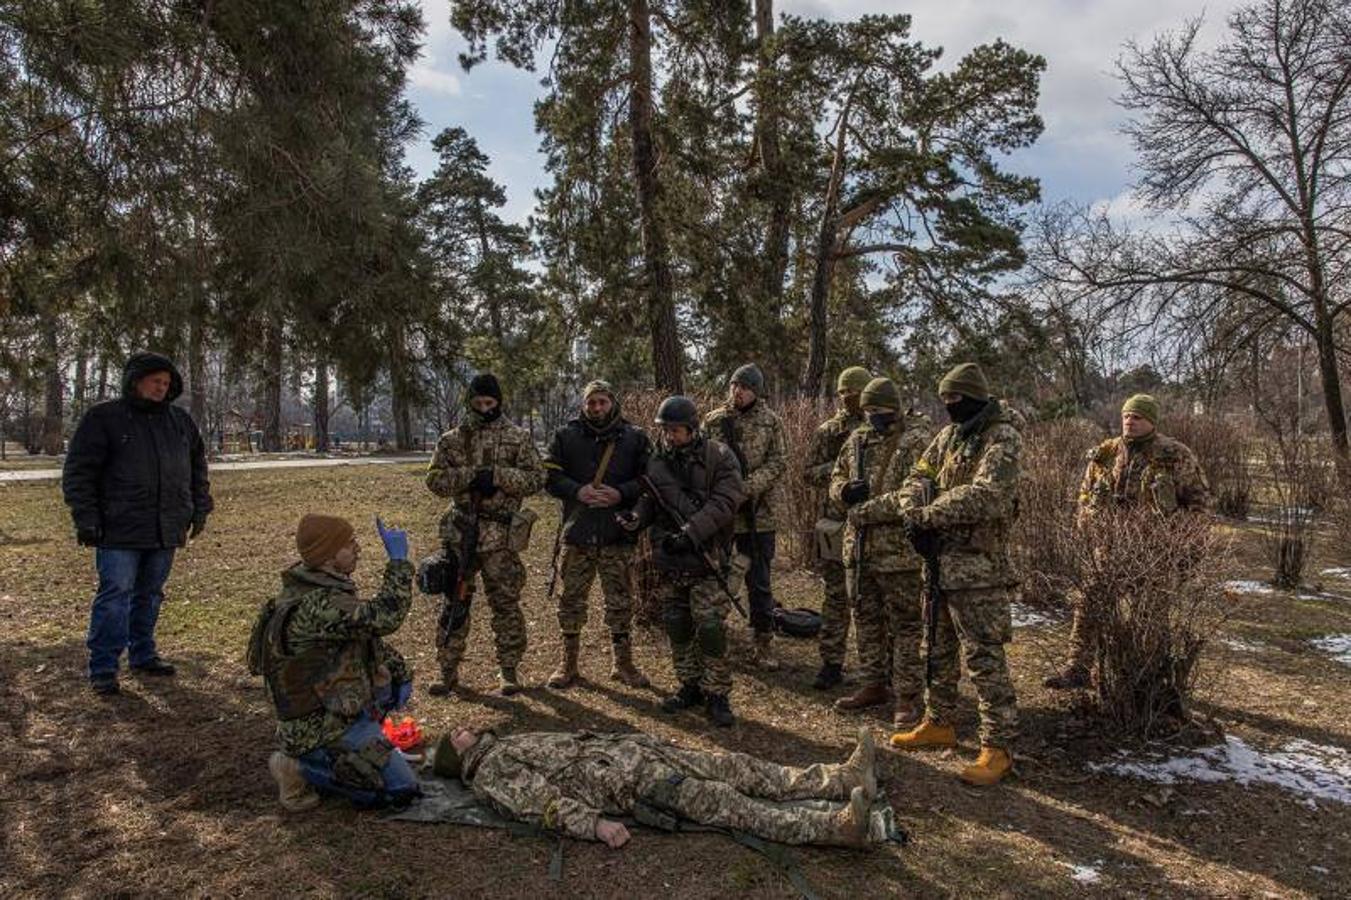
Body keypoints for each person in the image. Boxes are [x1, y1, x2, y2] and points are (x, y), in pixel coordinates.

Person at [865, 363, 1023, 787]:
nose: (950, 406)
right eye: (945, 400)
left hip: (979, 568)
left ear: (974, 397)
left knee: (984, 657)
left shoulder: (1002, 436)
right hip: (938, 562)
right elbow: (920, 474)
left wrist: (928, 516)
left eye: (956, 399)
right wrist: (916, 505)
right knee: (935, 648)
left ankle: (998, 745)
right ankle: (940, 722)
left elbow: (988, 495)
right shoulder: (949, 436)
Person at [433, 725, 881, 848]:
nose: (464, 728)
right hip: (631, 783)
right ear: (459, 756)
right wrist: (594, 826)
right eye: (456, 734)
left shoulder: (505, 743)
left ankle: (842, 779)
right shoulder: (491, 770)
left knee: (737, 767)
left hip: (641, 754)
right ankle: (833, 829)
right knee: (729, 804)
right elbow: (540, 804)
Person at [61, 351, 213, 695]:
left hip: (166, 526)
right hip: (119, 528)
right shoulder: (104, 419)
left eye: (166, 383)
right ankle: (103, 666)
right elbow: (79, 473)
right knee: (115, 595)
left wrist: (199, 507)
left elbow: (197, 470)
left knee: (150, 594)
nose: (162, 388)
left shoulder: (180, 422)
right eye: (155, 381)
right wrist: (85, 517)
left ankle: (143, 653)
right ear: (135, 381)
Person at [247, 514, 418, 811]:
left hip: (336, 707)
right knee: (400, 789)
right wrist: (399, 563)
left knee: (391, 678)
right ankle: (298, 767)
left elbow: (363, 639)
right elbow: (385, 617)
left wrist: (400, 674)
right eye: (348, 544)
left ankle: (364, 743)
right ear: (327, 556)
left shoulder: (318, 588)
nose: (357, 548)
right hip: (316, 726)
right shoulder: (318, 604)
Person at [1044, 393, 1213, 690]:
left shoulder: (1174, 455)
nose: (1130, 422)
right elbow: (1086, 493)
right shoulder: (1106, 452)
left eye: (1137, 417)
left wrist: (1186, 548)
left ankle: (1143, 679)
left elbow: (1199, 504)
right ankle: (1078, 668)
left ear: (1152, 422)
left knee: (1149, 617)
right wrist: (1085, 524)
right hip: (1108, 548)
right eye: (1126, 416)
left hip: (1153, 553)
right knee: (1088, 607)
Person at [618, 396, 745, 726]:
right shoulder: (658, 460)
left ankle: (717, 693)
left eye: (675, 430)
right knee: (677, 623)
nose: (670, 436)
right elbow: (651, 498)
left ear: (692, 428)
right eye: (665, 430)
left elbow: (725, 502)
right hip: (671, 556)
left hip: (708, 556)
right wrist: (636, 518)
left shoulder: (719, 457)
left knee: (710, 625)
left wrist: (690, 533)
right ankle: (689, 685)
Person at [425, 373, 546, 696]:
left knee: (505, 603)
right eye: (477, 403)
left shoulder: (517, 437)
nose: (483, 408)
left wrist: (498, 477)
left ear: (499, 402)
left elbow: (536, 478)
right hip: (461, 531)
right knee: (455, 602)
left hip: (500, 535)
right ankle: (447, 670)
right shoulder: (452, 439)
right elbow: (434, 480)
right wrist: (470, 477)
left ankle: (509, 671)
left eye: (489, 403)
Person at [830, 378, 933, 727]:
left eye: (879, 410)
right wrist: (843, 492)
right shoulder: (857, 439)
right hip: (858, 550)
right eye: (868, 411)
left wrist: (864, 510)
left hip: (899, 552)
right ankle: (872, 684)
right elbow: (835, 478)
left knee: (906, 626)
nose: (873, 417)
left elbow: (914, 494)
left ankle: (907, 697)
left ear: (895, 407)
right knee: (866, 619)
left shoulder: (916, 441)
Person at [541, 380, 653, 689]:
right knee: (571, 601)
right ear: (583, 405)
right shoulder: (565, 436)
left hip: (617, 534)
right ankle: (569, 665)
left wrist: (621, 493)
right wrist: (577, 490)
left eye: (602, 401)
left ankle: (624, 664)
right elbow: (548, 476)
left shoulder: (635, 438)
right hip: (577, 534)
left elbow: (650, 479)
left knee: (620, 601)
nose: (597, 408)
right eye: (592, 402)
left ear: (612, 403)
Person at [702, 364, 788, 670]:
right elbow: (701, 463)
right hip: (723, 515)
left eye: (745, 387)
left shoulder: (770, 422)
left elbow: (778, 462)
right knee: (718, 575)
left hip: (759, 515)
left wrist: (748, 488)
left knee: (759, 581)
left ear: (756, 391)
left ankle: (762, 643)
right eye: (734, 385)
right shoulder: (713, 421)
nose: (737, 391)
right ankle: (715, 637)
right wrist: (724, 493)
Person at [804, 366, 872, 690]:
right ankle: (831, 662)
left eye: (855, 393)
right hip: (835, 521)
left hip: (874, 523)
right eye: (844, 393)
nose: (849, 399)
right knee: (835, 597)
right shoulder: (829, 431)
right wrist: (843, 471)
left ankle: (877, 669)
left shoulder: (882, 428)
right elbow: (808, 473)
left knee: (872, 597)